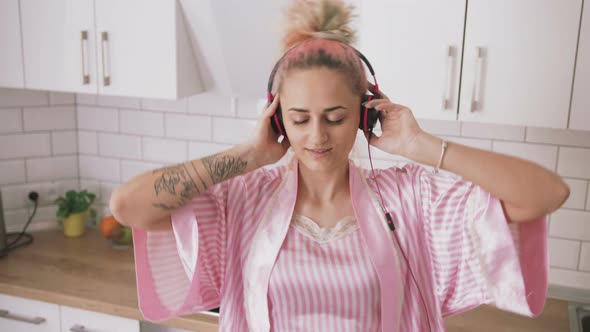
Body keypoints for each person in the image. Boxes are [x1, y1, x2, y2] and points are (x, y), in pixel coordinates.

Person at [110, 0, 570, 331]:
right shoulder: (242, 200)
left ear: (364, 113)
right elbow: (129, 206)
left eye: (335, 117)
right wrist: (249, 156)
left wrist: (420, 144)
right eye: (299, 118)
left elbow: (546, 194)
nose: (317, 136)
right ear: (276, 118)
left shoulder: (410, 198)